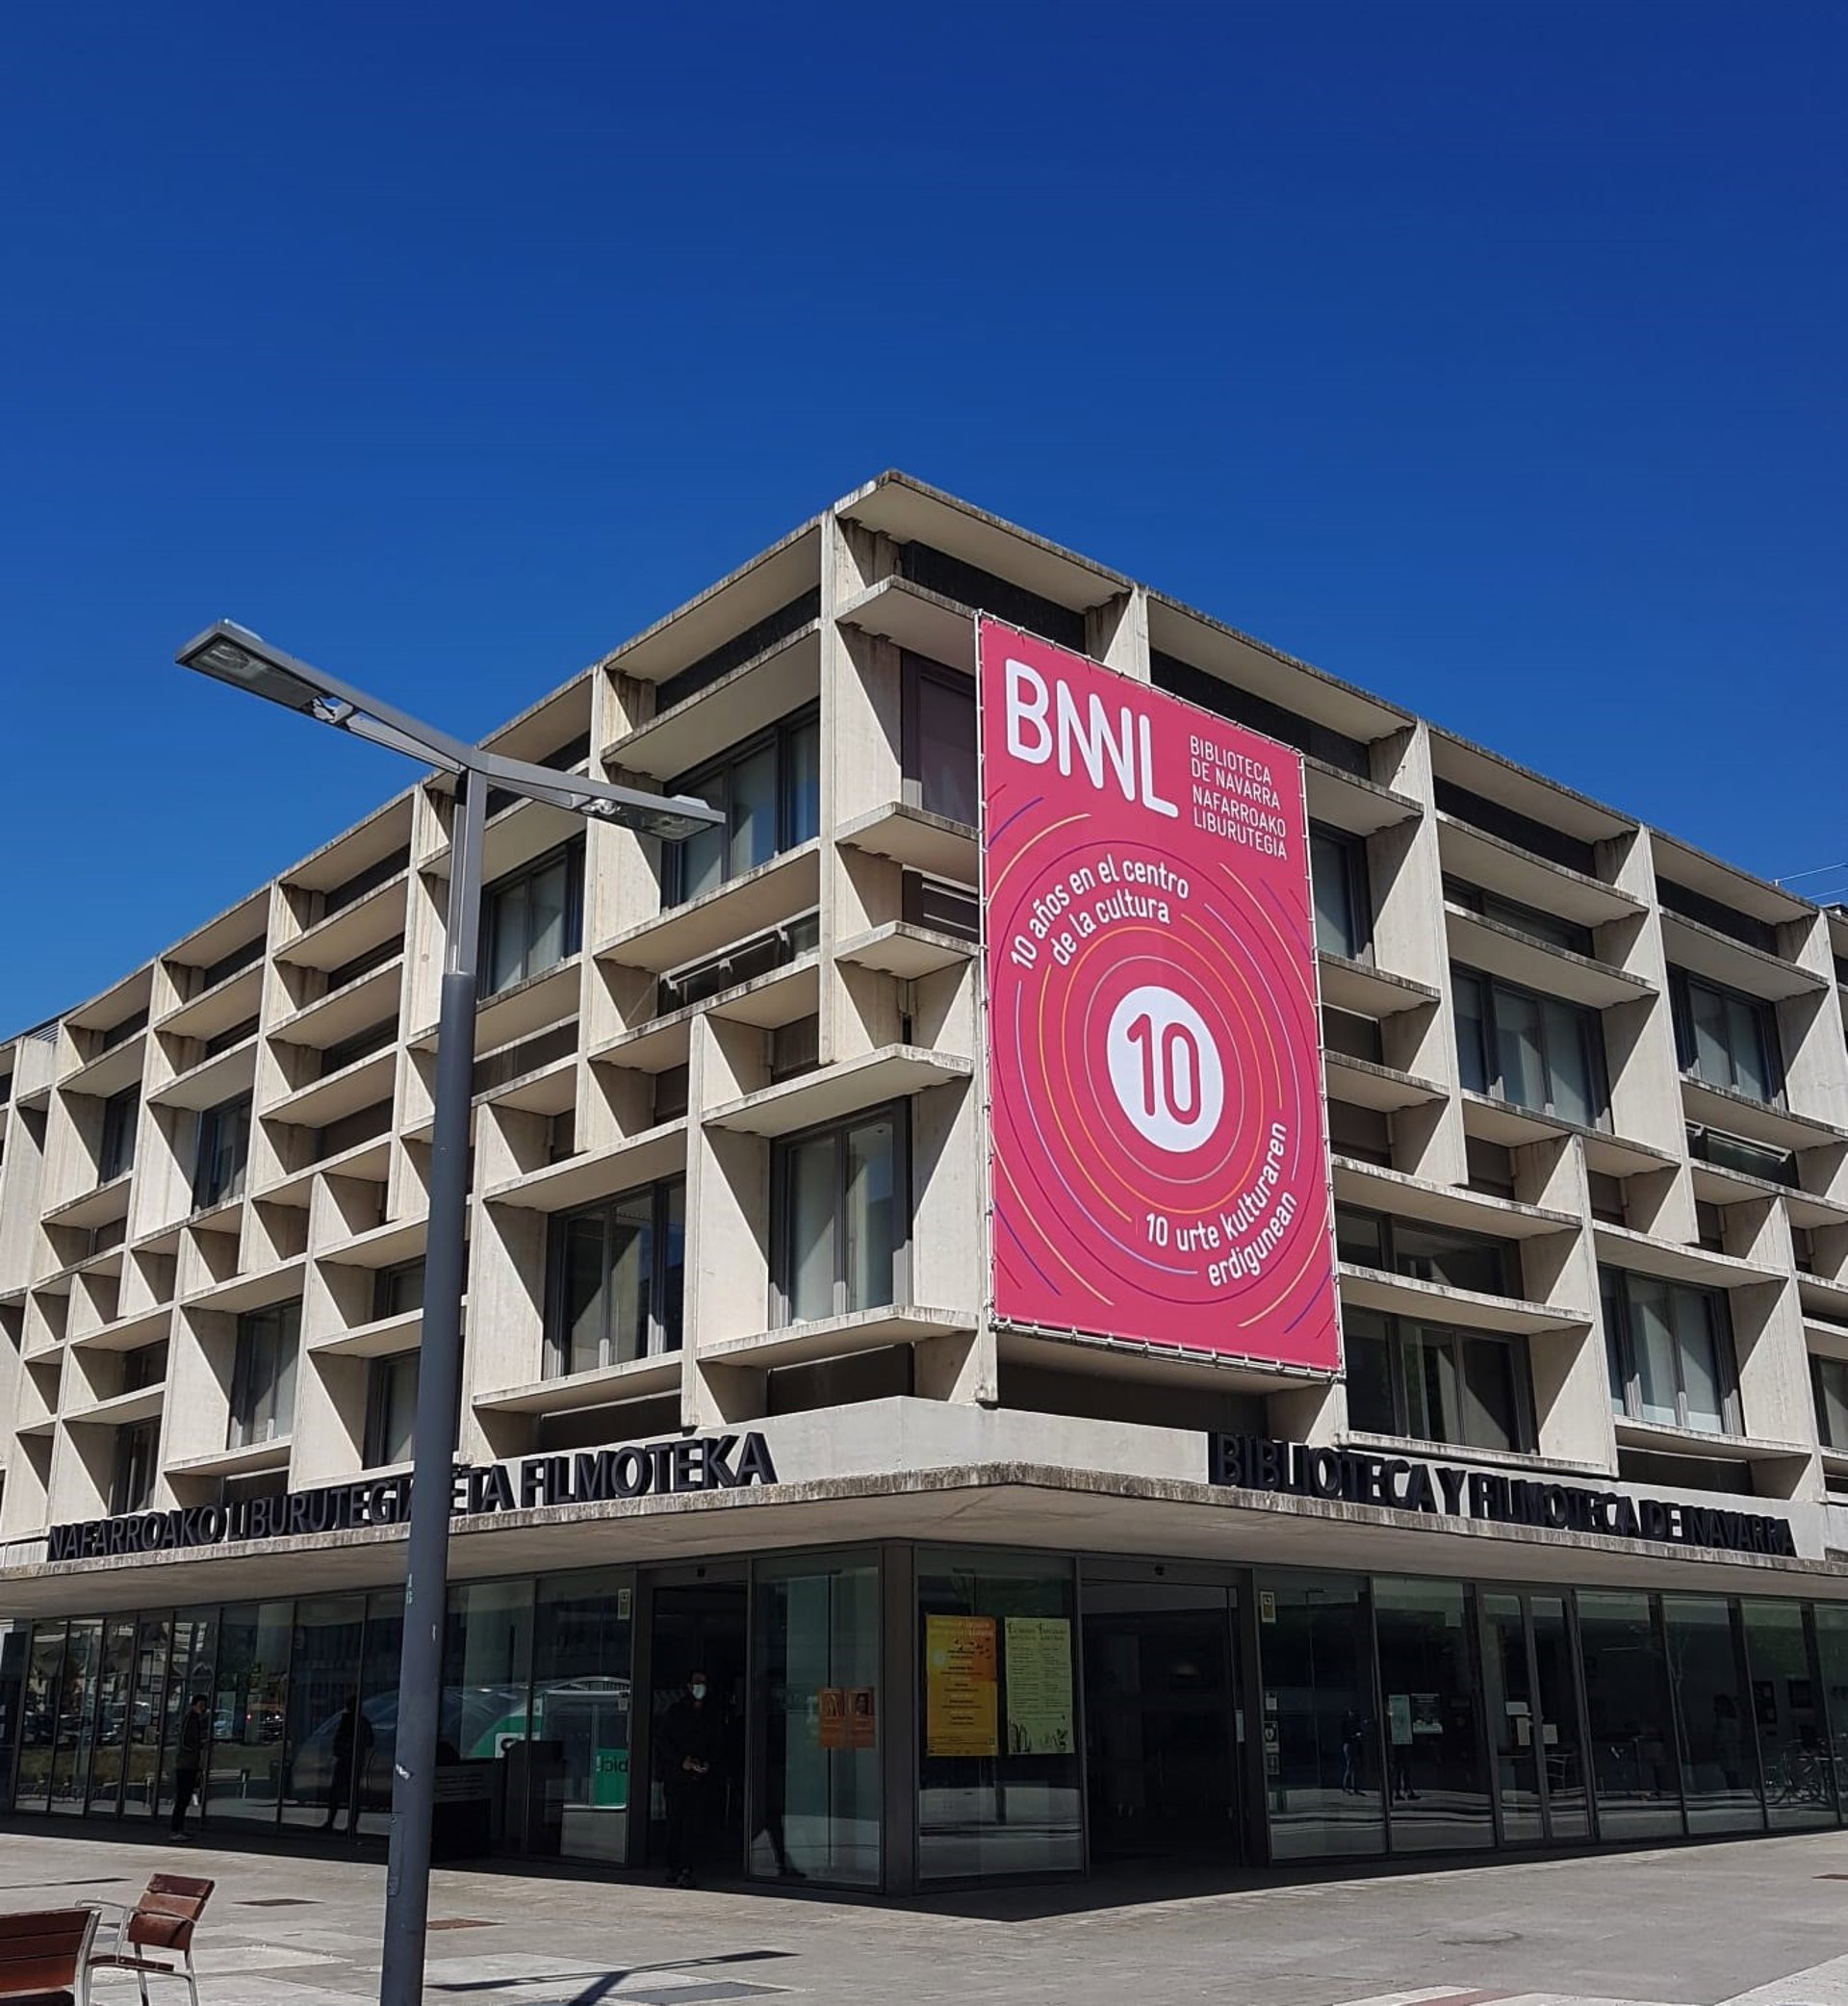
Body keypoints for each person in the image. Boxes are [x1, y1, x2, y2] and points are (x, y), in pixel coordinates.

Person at [656, 1668, 723, 1887]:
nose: (700, 1687)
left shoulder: (711, 1713)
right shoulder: (676, 1711)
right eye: (696, 1682)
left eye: (703, 1683)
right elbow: (662, 1741)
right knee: (675, 1822)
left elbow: (717, 1743)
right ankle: (672, 1866)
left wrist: (708, 1763)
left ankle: (687, 1868)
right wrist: (681, 1761)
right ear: (688, 1686)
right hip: (676, 1777)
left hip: (699, 1779)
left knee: (692, 1825)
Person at [323, 1696, 373, 1836]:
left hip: (352, 1760)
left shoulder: (359, 1722)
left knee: (349, 1794)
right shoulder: (349, 1721)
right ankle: (333, 1822)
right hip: (346, 1760)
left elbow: (369, 1741)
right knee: (338, 1792)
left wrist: (351, 1745)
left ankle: (349, 1824)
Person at [167, 1694, 210, 1841]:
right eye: (200, 1705)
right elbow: (185, 1740)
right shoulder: (190, 1719)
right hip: (186, 1764)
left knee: (184, 1799)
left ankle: (179, 1829)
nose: (203, 1708)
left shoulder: (195, 1719)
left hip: (189, 1763)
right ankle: (175, 1830)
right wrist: (197, 1746)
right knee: (182, 1798)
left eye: (204, 1705)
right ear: (194, 1705)